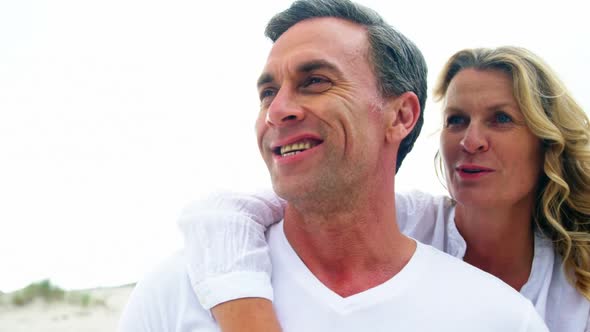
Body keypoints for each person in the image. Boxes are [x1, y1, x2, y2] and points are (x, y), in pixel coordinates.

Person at [119, 0, 549, 330]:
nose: (278, 110)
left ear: (400, 116)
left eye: (315, 82)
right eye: (268, 92)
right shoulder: (176, 294)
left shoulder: (500, 317)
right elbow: (220, 212)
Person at [177, 45, 590, 331]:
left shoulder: (578, 280)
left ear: (546, 140)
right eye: (456, 120)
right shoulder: (406, 220)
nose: (470, 141)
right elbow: (220, 214)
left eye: (500, 119)